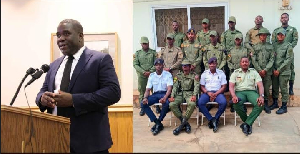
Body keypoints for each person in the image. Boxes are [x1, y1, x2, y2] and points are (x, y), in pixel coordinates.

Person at [35, 19, 121, 153]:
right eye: (58, 35)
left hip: (90, 144)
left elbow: (113, 92)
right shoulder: (54, 65)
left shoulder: (99, 59)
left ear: (80, 36)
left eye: (66, 34)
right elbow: (43, 91)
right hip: (56, 140)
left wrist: (74, 100)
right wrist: (42, 99)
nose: (61, 39)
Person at [229, 56, 264, 136]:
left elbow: (260, 85)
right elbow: (231, 86)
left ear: (249, 63)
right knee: (236, 103)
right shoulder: (236, 73)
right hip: (240, 92)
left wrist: (261, 96)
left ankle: (246, 124)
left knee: (260, 103)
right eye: (243, 62)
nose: (245, 63)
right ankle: (248, 123)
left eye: (246, 62)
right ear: (240, 63)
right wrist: (234, 96)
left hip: (251, 92)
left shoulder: (254, 72)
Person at [141, 58, 173, 135]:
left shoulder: (168, 74)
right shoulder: (152, 76)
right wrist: (145, 98)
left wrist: (165, 97)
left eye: (160, 65)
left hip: (164, 93)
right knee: (143, 104)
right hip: (155, 94)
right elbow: (148, 89)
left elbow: (169, 89)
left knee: (167, 103)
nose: (158, 66)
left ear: (163, 65)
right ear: (155, 66)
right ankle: (157, 123)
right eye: (157, 65)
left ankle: (159, 121)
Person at [169, 59, 199, 135]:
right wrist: (172, 96)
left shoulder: (194, 75)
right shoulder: (178, 75)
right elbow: (175, 87)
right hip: (181, 93)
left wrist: (195, 95)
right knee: (172, 104)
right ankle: (185, 123)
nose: (184, 67)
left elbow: (196, 86)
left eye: (186, 66)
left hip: (190, 93)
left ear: (189, 67)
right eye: (183, 66)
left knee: (192, 104)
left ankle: (181, 126)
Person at [271, 13, 298, 97]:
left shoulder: (293, 29)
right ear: (280, 19)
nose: (284, 19)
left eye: (285, 17)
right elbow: (273, 41)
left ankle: (290, 87)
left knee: (290, 69)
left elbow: (295, 40)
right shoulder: (276, 30)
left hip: (288, 53)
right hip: (278, 53)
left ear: (288, 18)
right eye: (282, 17)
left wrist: (288, 49)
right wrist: (278, 49)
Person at [198, 57, 227, 133]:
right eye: (211, 64)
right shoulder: (204, 74)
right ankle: (211, 119)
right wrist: (208, 93)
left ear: (216, 64)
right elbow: (202, 86)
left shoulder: (221, 73)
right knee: (200, 103)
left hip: (218, 92)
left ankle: (216, 118)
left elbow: (224, 86)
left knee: (223, 102)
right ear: (208, 65)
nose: (212, 65)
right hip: (207, 93)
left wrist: (216, 93)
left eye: (214, 63)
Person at [133, 36, 159, 116]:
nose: (145, 45)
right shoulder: (137, 53)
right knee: (142, 92)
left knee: (155, 91)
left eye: (146, 43)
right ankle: (143, 108)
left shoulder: (153, 53)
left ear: (148, 43)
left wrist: (150, 71)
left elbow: (156, 63)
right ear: (141, 44)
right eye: (143, 43)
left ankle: (157, 106)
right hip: (142, 76)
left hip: (152, 75)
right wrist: (143, 72)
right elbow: (135, 64)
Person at [251, 28, 274, 114]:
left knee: (267, 89)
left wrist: (265, 70)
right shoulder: (255, 46)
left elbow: (272, 59)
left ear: (266, 36)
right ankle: (258, 104)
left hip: (267, 72)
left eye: (264, 35)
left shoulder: (270, 47)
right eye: (261, 35)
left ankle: (266, 104)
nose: (263, 37)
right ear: (259, 36)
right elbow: (253, 59)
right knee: (257, 88)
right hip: (258, 72)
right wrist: (260, 70)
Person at [271, 29, 294, 114]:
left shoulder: (288, 46)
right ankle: (275, 103)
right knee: (275, 87)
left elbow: (288, 59)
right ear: (276, 36)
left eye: (282, 35)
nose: (280, 36)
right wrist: (273, 69)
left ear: (284, 36)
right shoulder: (274, 45)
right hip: (275, 71)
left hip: (283, 71)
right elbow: (271, 58)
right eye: (278, 35)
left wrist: (279, 70)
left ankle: (284, 106)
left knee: (283, 88)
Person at [227, 33, 249, 112]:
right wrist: (232, 68)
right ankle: (233, 104)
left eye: (239, 39)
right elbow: (228, 61)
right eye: (236, 39)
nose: (237, 41)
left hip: (242, 72)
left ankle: (242, 104)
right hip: (233, 72)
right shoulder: (231, 50)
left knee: (241, 87)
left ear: (241, 40)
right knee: (233, 87)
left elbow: (247, 60)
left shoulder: (245, 50)